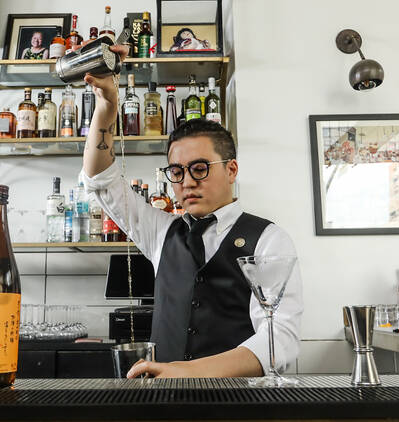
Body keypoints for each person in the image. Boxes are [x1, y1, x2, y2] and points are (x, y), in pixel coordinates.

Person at [81, 45, 303, 378]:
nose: (186, 182)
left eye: (200, 168)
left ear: (231, 170)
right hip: (165, 404)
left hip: (239, 406)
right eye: (177, 171)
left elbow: (278, 341)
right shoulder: (161, 231)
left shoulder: (268, 240)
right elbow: (101, 180)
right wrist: (107, 107)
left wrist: (184, 371)